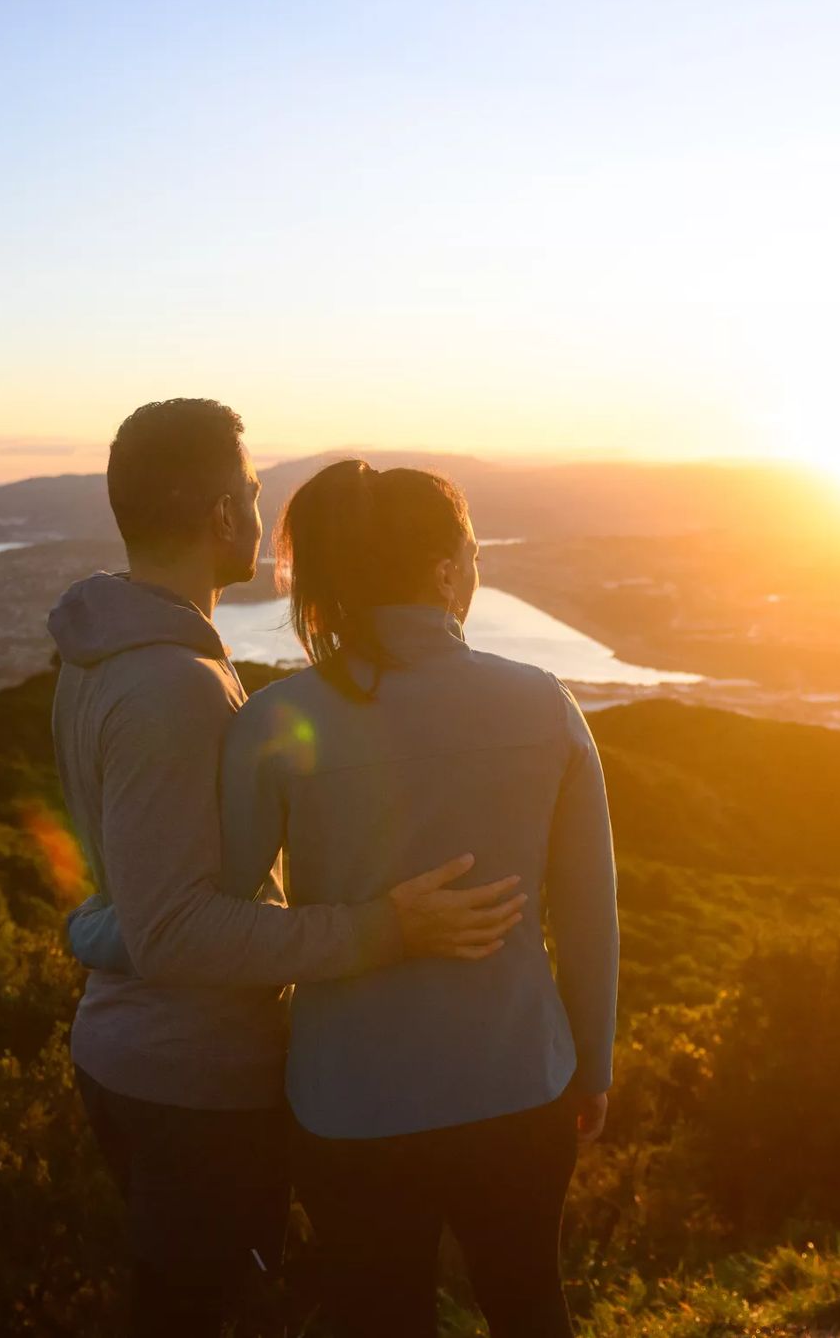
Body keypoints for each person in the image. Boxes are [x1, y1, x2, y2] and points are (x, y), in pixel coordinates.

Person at [52, 399, 526, 1338]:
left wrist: (87, 925)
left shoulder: (103, 652)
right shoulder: (170, 688)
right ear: (222, 513)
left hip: (131, 1053)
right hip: (189, 1077)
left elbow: (139, 897)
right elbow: (176, 928)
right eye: (255, 492)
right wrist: (384, 928)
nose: (264, 517)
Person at [216, 459, 619, 1338]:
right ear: (445, 571)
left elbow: (224, 918)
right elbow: (588, 912)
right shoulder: (543, 705)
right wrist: (593, 1065)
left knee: (377, 1319)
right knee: (529, 1306)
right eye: (472, 554)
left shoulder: (277, 721)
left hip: (345, 1102)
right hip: (521, 1082)